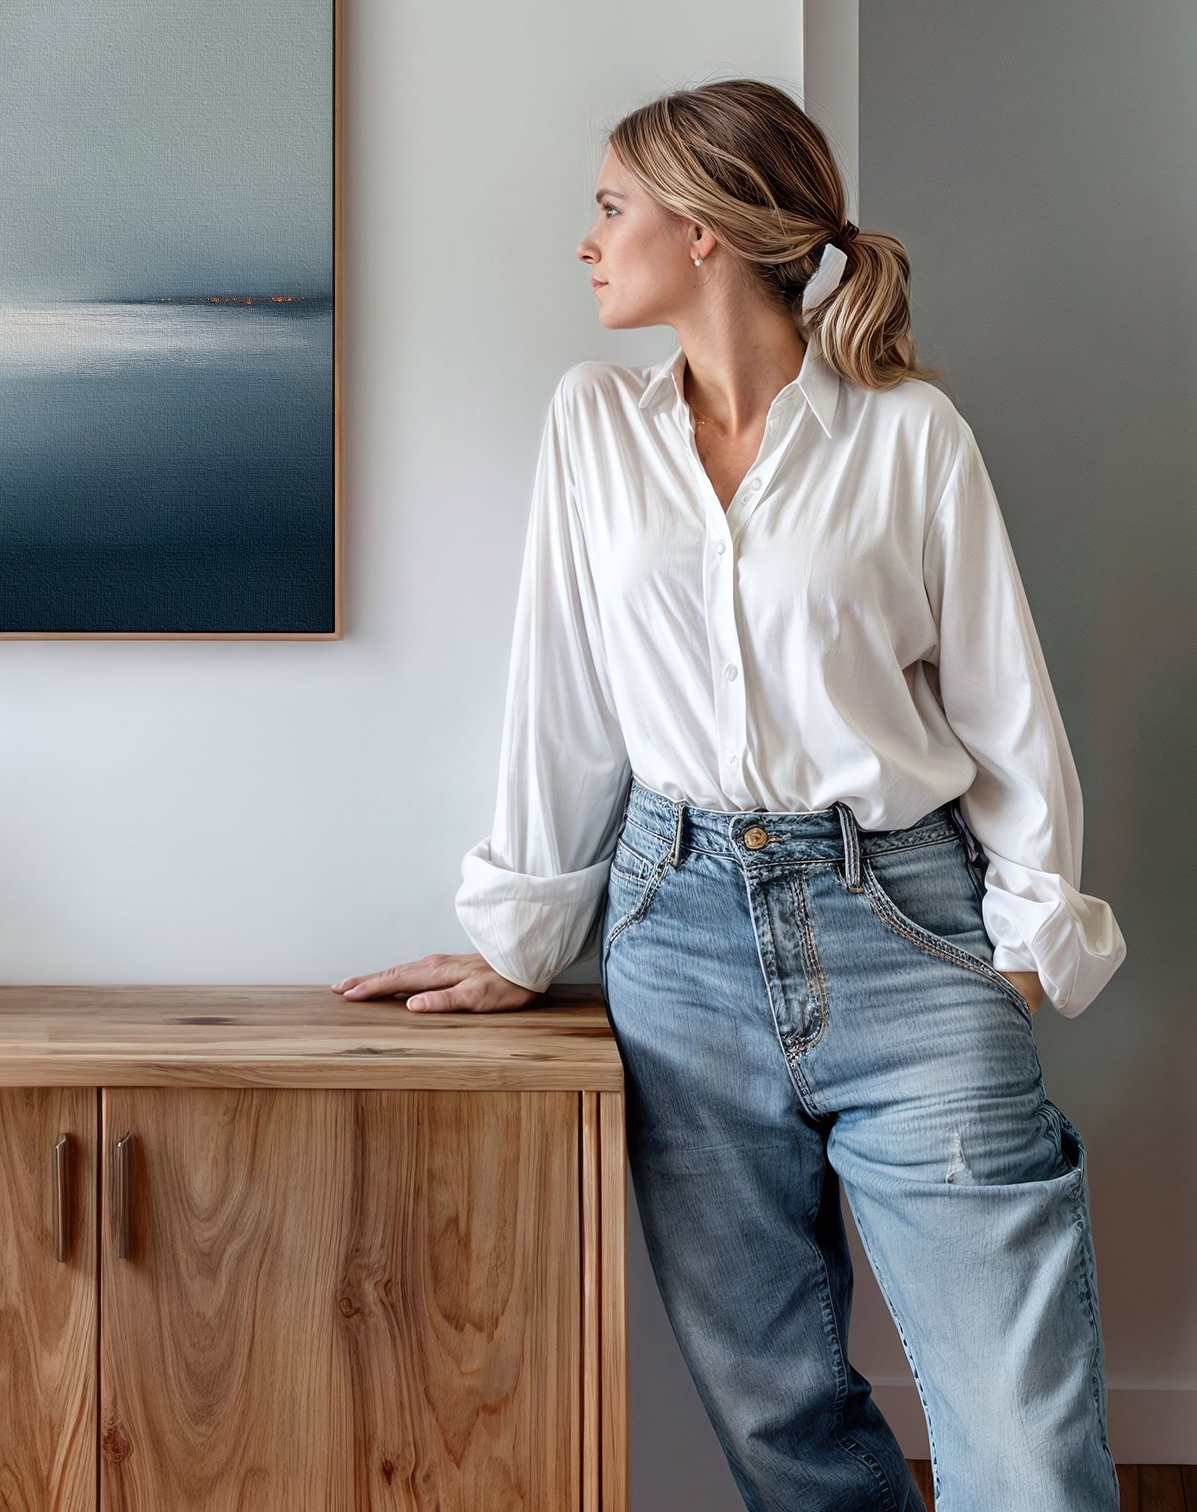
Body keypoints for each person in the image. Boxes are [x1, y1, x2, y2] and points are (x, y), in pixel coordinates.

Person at [333, 80, 1126, 1511]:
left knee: (1023, 1440)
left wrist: (1022, 942)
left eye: (610, 206)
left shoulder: (909, 436)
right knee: (781, 1424)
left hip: (908, 924)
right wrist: (524, 937)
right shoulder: (593, 427)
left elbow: (1007, 707)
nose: (587, 241)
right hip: (676, 936)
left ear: (703, 233)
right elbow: (560, 696)